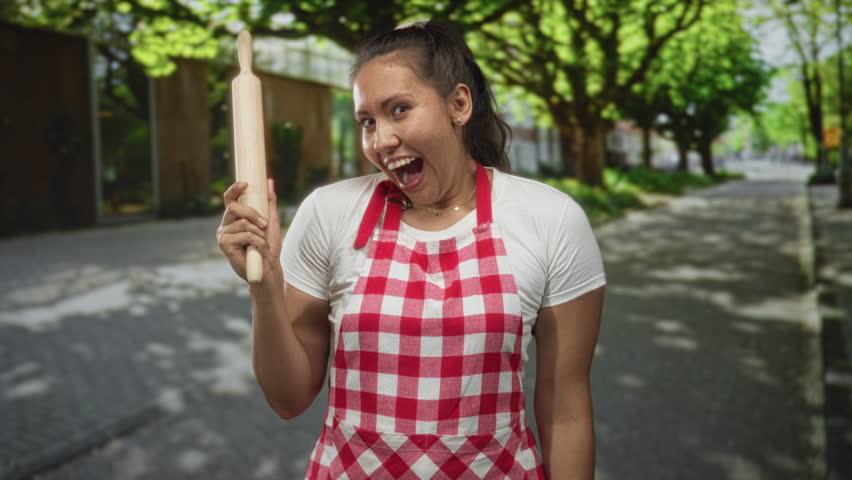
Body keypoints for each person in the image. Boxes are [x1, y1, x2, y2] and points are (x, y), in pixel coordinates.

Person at [217, 20, 605, 480]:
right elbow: (288, 399)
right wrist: (266, 285)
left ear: (459, 104)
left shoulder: (551, 219)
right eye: (367, 121)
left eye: (399, 110)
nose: (380, 141)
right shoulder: (328, 212)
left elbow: (567, 411)